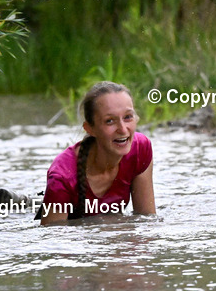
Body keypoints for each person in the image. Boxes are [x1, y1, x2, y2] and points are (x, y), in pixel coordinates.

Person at [38, 81, 155, 224]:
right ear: (90, 129)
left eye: (128, 117)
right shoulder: (62, 178)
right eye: (110, 121)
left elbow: (147, 221)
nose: (123, 130)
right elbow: (53, 241)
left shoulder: (140, 150)